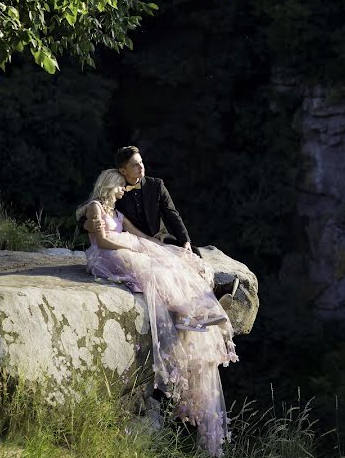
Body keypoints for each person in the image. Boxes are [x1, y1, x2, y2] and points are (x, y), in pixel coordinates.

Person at [76, 169, 238, 456]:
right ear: (110, 185)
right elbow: (102, 242)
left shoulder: (117, 213)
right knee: (151, 272)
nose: (123, 191)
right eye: (120, 187)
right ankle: (190, 316)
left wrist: (163, 248)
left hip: (124, 250)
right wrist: (133, 247)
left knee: (165, 266)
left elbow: (140, 236)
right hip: (106, 257)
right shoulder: (96, 207)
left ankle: (190, 314)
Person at [85, 146, 192, 250]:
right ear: (123, 171)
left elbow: (172, 214)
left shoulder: (156, 185)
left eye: (141, 162)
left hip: (157, 237)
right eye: (135, 165)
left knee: (188, 253)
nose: (141, 167)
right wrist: (86, 224)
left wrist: (185, 240)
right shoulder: (117, 189)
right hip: (129, 239)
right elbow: (95, 205)